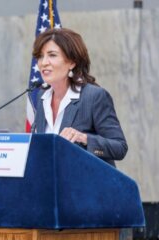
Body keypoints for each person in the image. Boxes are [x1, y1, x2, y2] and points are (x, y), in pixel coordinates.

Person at [31, 28, 127, 166]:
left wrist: (84, 138)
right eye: (40, 56)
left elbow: (120, 148)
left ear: (72, 62)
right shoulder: (42, 97)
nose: (43, 62)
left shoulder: (94, 97)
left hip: (87, 184)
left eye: (52, 55)